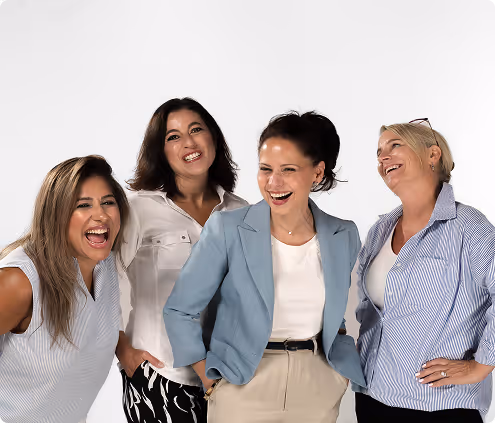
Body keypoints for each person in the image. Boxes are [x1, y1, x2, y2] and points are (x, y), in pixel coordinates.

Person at [164, 111, 366, 423]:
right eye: (265, 169)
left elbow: (337, 313)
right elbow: (180, 309)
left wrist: (336, 376)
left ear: (317, 172)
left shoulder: (344, 234)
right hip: (243, 381)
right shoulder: (228, 228)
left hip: (317, 386)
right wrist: (209, 379)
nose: (273, 182)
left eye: (288, 170)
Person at [115, 98, 247, 423]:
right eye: (173, 136)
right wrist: (123, 352)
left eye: (196, 130)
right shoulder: (138, 209)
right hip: (160, 376)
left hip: (227, 377)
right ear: (160, 151)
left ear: (213, 137)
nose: (189, 142)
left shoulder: (241, 211)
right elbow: (103, 284)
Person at [354, 119, 494, 422]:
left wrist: (480, 366)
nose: (383, 157)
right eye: (379, 152)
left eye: (395, 145)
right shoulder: (380, 230)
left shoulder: (470, 228)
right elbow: (369, 312)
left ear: (433, 155)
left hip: (440, 405)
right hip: (372, 396)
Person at [0, 155, 129, 423]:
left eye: (108, 202)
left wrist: (125, 349)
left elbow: (95, 323)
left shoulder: (106, 265)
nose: (101, 215)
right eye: (83, 205)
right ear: (56, 214)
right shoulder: (19, 281)